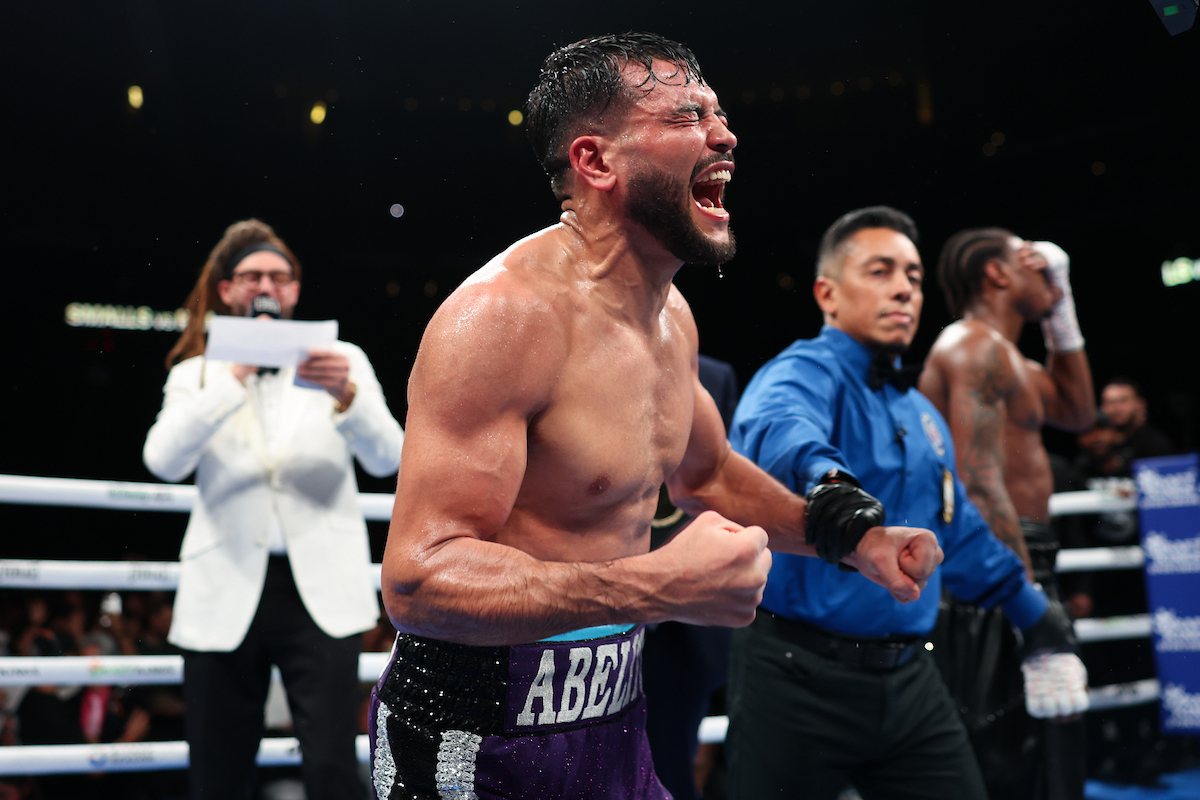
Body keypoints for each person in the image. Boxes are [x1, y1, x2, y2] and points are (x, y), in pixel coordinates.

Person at [370, 34, 942, 800]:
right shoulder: (503, 319)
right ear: (596, 162)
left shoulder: (671, 317)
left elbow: (706, 471)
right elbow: (418, 579)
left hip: (614, 718)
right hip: (476, 734)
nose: (725, 134)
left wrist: (848, 539)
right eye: (686, 115)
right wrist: (658, 588)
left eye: (718, 113)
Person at [725, 206, 1087, 800]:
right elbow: (778, 430)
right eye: (880, 270)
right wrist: (831, 485)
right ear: (828, 293)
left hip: (911, 681)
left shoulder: (918, 411)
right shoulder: (802, 372)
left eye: (915, 277)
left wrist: (1037, 619)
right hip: (795, 678)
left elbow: (959, 530)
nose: (903, 288)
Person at [144, 219, 404, 800]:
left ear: (295, 290)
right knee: (217, 767)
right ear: (228, 290)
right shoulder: (199, 373)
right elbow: (162, 461)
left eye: (279, 277)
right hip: (225, 587)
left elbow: (390, 459)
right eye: (253, 275)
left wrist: (348, 397)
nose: (267, 285)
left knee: (333, 765)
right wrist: (234, 375)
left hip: (318, 593)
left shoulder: (344, 362)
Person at [921, 229, 1095, 799]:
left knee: (1048, 755)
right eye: (1031, 263)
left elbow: (1077, 409)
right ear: (997, 273)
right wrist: (1030, 607)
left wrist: (1062, 307)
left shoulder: (1007, 356)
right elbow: (980, 480)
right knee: (1009, 760)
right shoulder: (973, 348)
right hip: (997, 563)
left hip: (1019, 557)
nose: (1047, 273)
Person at [1100, 377, 1176, 461]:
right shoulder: (1098, 447)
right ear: (1102, 407)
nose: (1116, 408)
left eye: (1123, 401)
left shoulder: (1155, 444)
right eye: (1110, 402)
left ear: (1141, 404)